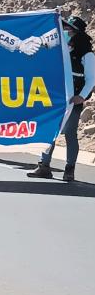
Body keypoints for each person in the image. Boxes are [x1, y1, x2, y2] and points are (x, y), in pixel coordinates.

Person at [28, 15, 94, 182]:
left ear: (78, 34)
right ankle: (44, 166)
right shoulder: (61, 50)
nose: (66, 32)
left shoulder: (87, 54)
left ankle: (69, 169)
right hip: (56, 98)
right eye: (65, 28)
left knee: (70, 134)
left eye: (70, 30)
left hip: (73, 99)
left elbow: (91, 79)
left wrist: (81, 96)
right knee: (50, 130)